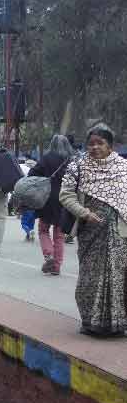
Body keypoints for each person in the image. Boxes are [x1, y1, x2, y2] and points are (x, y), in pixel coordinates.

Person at [59, 124, 127, 336]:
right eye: (91, 144)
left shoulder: (123, 167)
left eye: (100, 143)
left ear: (110, 146)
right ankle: (91, 322)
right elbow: (65, 195)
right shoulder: (77, 166)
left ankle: (119, 323)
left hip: (120, 232)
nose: (95, 147)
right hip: (90, 232)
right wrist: (84, 212)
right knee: (90, 277)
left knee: (120, 276)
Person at [29, 135, 73, 275]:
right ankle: (57, 265)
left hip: (47, 198)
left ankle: (49, 255)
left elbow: (32, 174)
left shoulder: (46, 158)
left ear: (52, 144)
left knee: (43, 229)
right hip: (65, 199)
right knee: (59, 235)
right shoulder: (71, 160)